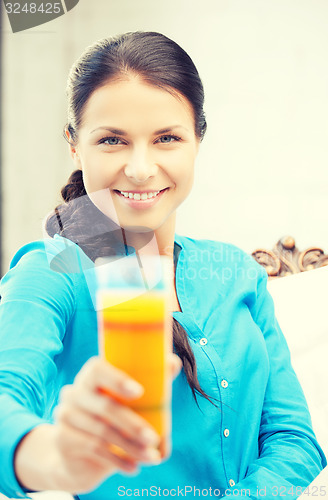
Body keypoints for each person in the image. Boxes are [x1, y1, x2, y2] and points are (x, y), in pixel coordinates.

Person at [0, 31, 326, 500]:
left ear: (198, 139)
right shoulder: (52, 272)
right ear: (74, 145)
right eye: (112, 140)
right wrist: (52, 458)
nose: (139, 167)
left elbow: (295, 441)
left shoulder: (234, 272)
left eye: (166, 138)